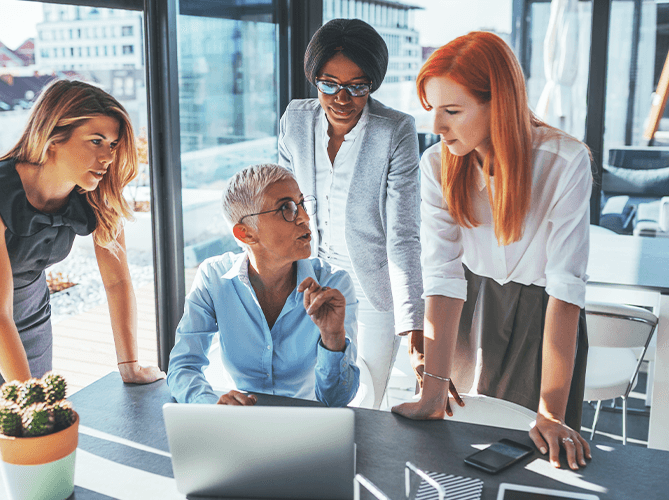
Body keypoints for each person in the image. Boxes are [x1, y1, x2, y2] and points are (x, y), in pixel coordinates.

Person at [392, 31, 593, 471]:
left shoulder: (565, 161)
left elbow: (564, 288)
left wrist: (551, 413)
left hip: (546, 318)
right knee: (458, 454)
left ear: (497, 104)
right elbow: (443, 278)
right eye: (432, 110)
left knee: (536, 461)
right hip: (468, 311)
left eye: (452, 111)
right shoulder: (436, 166)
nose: (437, 128)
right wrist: (432, 389)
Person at [0, 79, 164, 408]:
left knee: (40, 437)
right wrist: (31, 400)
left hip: (31, 320)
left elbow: (118, 280)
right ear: (53, 137)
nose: (108, 156)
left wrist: (129, 366)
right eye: (96, 141)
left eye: (112, 143)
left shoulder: (97, 192)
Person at [278, 18, 424, 408]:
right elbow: (283, 209)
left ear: (372, 85)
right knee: (313, 387)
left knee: (367, 397)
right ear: (314, 79)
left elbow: (404, 235)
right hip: (313, 279)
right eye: (329, 84)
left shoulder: (395, 131)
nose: (342, 99)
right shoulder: (295, 120)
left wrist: (412, 324)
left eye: (357, 87)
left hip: (374, 286)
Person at [167, 164, 359, 407]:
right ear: (246, 234)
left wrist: (333, 338)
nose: (305, 217)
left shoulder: (333, 285)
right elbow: (183, 366)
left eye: (301, 204)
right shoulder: (213, 278)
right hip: (240, 427)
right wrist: (211, 406)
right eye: (286, 208)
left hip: (309, 427)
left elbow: (337, 401)